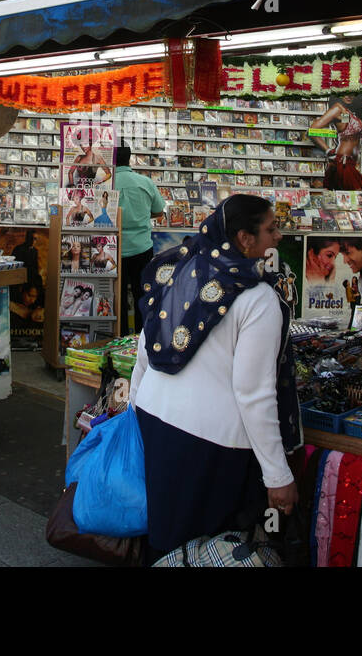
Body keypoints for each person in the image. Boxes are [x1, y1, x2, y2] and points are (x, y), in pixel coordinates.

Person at [129, 194, 302, 562]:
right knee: (202, 545)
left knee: (160, 531)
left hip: (154, 418)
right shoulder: (258, 299)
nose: (278, 237)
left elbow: (147, 345)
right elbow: (254, 394)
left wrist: (135, 404)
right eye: (271, 229)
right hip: (208, 442)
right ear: (245, 238)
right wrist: (277, 476)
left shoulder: (181, 267)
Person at [114, 144, 166, 333]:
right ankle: (140, 338)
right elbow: (159, 211)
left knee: (116, 295)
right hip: (142, 248)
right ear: (130, 159)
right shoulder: (145, 182)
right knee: (141, 294)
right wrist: (142, 215)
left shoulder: (105, 183)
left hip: (114, 248)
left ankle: (118, 337)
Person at [312, 93, 362, 190]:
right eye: (345, 93)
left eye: (352, 93)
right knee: (355, 199)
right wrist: (328, 151)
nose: (349, 95)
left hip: (350, 163)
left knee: (348, 200)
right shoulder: (337, 109)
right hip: (342, 163)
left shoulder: (346, 112)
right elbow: (312, 131)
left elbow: (344, 126)